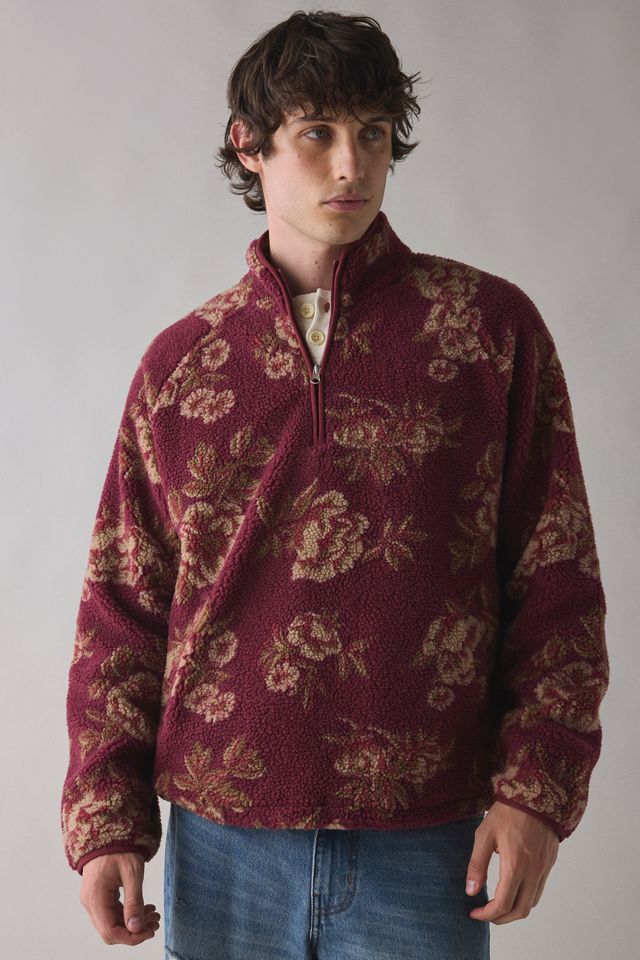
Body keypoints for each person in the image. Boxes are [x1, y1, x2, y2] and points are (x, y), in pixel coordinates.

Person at [60, 9, 610, 958]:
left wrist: (536, 795)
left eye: (373, 132)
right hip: (222, 847)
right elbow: (122, 605)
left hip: (430, 840)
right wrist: (107, 820)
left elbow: (557, 579)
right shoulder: (183, 364)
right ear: (251, 144)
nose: (352, 164)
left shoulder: (486, 332)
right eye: (317, 132)